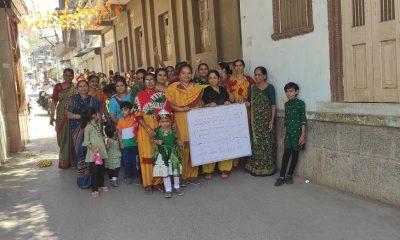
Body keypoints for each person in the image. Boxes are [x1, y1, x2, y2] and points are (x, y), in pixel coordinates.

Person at [165, 63, 204, 185]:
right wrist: (180, 109)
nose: (186, 75)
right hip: (180, 120)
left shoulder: (198, 87)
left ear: (192, 74)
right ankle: (182, 175)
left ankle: (192, 174)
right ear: (179, 74)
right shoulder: (172, 88)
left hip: (195, 120)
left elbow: (201, 103)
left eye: (188, 73)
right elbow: (168, 104)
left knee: (194, 146)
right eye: (183, 73)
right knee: (182, 147)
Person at [134, 73, 169, 193]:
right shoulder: (139, 96)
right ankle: (148, 182)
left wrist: (161, 128)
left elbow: (166, 113)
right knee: (147, 157)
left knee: (159, 156)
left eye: (152, 80)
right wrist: (148, 129)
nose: (150, 82)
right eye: (147, 80)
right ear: (144, 82)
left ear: (155, 81)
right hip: (144, 130)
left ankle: (158, 182)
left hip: (160, 128)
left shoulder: (161, 95)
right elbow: (137, 115)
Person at [67, 80, 100, 188]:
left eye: (85, 86)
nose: (83, 88)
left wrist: (99, 128)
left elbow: (98, 115)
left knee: (92, 153)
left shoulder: (94, 100)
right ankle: (83, 181)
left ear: (88, 86)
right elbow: (69, 115)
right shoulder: (73, 99)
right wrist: (81, 117)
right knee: (81, 153)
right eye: (80, 86)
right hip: (77, 130)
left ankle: (94, 180)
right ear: (77, 88)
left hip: (92, 130)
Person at [245, 66, 276, 176]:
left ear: (265, 76)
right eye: (256, 75)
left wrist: (271, 121)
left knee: (267, 144)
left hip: (266, 121)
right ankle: (255, 167)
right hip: (255, 122)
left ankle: (267, 168)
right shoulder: (252, 88)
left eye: (259, 75)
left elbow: (273, 105)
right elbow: (249, 102)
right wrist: (242, 104)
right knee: (256, 144)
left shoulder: (270, 88)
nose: (257, 77)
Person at [275, 82, 307, 186]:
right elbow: (286, 121)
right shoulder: (287, 104)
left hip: (297, 134)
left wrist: (303, 135)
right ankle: (281, 176)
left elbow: (303, 120)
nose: (289, 94)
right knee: (285, 155)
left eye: (291, 91)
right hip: (288, 134)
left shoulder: (301, 103)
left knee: (295, 156)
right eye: (287, 92)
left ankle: (289, 175)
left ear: (296, 92)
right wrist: (284, 135)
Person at [202, 70, 232, 179]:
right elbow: (203, 105)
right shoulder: (205, 90)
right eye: (210, 78)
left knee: (224, 143)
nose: (213, 80)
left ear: (219, 79)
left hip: (224, 122)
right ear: (208, 80)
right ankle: (208, 170)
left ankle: (225, 168)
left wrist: (228, 103)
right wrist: (209, 104)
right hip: (211, 122)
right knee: (211, 144)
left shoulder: (223, 90)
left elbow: (228, 101)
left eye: (215, 77)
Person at [226, 59, 255, 168]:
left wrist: (249, 102)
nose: (238, 68)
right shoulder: (229, 80)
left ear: (244, 67)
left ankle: (246, 161)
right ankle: (235, 162)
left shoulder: (249, 80)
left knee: (246, 134)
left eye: (240, 65)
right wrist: (230, 97)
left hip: (246, 111)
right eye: (236, 66)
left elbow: (253, 95)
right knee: (235, 135)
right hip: (233, 112)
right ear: (234, 68)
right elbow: (227, 94)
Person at [152, 109, 184, 198]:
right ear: (159, 122)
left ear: (170, 121)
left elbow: (176, 139)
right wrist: (156, 141)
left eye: (167, 121)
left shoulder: (173, 130)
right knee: (165, 172)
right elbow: (153, 140)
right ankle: (168, 190)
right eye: (162, 121)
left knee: (175, 170)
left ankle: (177, 187)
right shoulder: (157, 131)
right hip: (163, 154)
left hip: (173, 153)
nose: (165, 123)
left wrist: (179, 142)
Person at [50, 68, 75, 169]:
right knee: (62, 138)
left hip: (72, 114)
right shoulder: (58, 87)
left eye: (70, 75)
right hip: (61, 115)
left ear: (73, 76)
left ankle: (72, 161)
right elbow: (54, 102)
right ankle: (64, 160)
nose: (68, 77)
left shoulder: (75, 87)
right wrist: (52, 116)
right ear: (63, 76)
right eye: (66, 75)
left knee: (72, 138)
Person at [81, 106, 108, 198]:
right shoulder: (88, 127)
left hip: (101, 151)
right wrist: (93, 149)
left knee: (101, 170)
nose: (99, 115)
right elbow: (86, 141)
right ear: (93, 115)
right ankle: (94, 189)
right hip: (94, 154)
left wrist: (106, 140)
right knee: (94, 172)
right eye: (97, 113)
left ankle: (101, 185)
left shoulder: (96, 125)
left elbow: (100, 136)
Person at [117, 101, 140, 185]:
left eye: (126, 109)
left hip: (134, 145)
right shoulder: (120, 121)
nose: (123, 111)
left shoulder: (134, 119)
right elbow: (119, 133)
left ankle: (137, 176)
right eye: (122, 110)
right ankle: (128, 176)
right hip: (125, 145)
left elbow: (137, 129)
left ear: (130, 110)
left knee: (135, 161)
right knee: (126, 161)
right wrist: (121, 143)